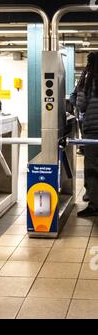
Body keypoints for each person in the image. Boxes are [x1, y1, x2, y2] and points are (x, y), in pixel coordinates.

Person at [76, 52, 98, 217]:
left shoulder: (88, 81)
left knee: (92, 168)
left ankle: (94, 205)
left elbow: (81, 105)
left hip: (92, 131)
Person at [70, 71, 89, 202]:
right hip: (85, 122)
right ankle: (90, 191)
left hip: (88, 123)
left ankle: (90, 193)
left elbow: (79, 102)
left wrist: (79, 106)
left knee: (90, 160)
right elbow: (73, 96)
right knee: (90, 158)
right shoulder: (85, 81)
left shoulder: (85, 81)